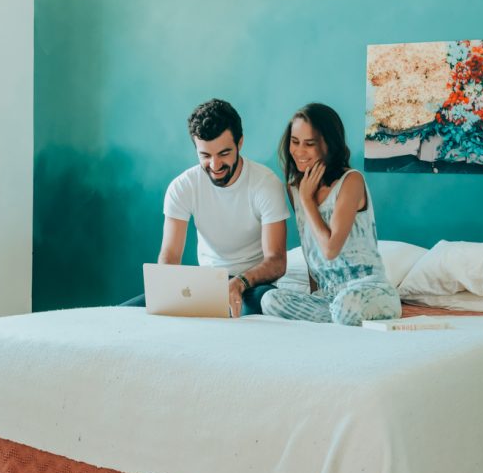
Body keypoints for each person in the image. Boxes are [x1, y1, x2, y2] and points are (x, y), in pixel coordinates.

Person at [122, 99, 289, 316]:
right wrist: (165, 295)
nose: (215, 165)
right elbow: (170, 256)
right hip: (205, 285)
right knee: (123, 314)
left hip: (252, 286)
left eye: (223, 153)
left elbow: (276, 262)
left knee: (267, 304)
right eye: (205, 155)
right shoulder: (183, 187)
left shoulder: (265, 184)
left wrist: (240, 282)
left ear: (240, 144)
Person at [261, 103, 401, 325]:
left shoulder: (351, 181)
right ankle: (337, 319)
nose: (299, 151)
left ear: (329, 145)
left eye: (309, 144)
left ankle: (339, 316)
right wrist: (314, 293)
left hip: (367, 290)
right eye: (295, 142)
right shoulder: (295, 189)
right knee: (269, 300)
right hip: (327, 297)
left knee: (347, 306)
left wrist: (308, 201)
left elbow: (329, 249)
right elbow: (311, 253)